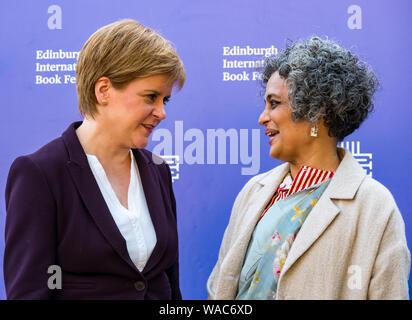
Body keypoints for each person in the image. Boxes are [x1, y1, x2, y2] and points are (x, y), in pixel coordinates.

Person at [207, 37, 410, 300]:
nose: (262, 117)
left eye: (274, 103)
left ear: (317, 110)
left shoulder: (374, 207)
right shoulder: (253, 193)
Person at [4, 19, 185, 300]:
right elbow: (30, 292)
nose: (161, 112)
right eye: (151, 97)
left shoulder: (158, 169)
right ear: (103, 91)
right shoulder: (40, 173)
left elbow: (169, 285)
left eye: (165, 100)